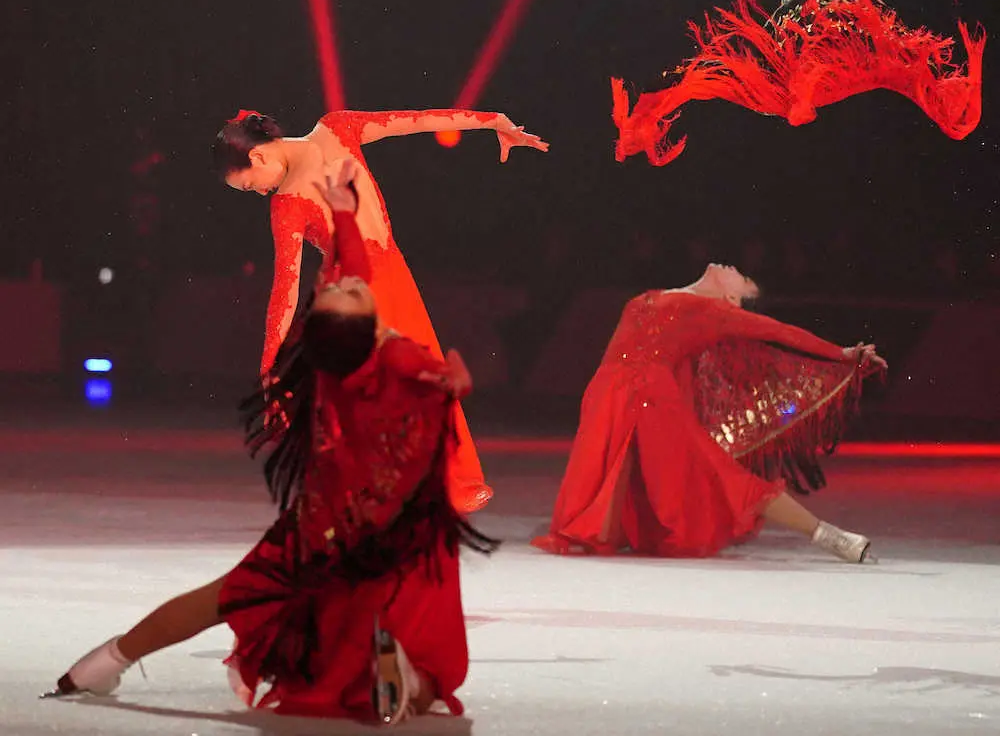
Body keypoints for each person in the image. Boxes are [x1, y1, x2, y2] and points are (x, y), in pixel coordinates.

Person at [48, 165, 498, 725]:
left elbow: (353, 278)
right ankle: (407, 675)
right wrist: (451, 380)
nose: (346, 283)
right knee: (415, 635)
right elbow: (424, 368)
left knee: (223, 598)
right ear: (366, 329)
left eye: (336, 290)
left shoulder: (329, 362)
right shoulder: (393, 357)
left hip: (319, 529)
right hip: (393, 531)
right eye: (347, 293)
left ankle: (102, 662)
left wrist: (342, 214)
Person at [213, 107, 549, 513]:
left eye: (251, 186)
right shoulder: (336, 128)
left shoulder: (288, 202)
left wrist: (269, 370)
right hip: (379, 282)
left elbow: (285, 291)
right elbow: (421, 121)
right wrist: (493, 120)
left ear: (257, 156)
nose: (260, 193)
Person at [532, 264, 887, 563]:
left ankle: (828, 535)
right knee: (619, 472)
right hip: (607, 392)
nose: (735, 269)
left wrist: (842, 354)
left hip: (651, 399)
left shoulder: (716, 312)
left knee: (721, 474)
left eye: (743, 278)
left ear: (732, 298)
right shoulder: (656, 294)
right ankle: (609, 533)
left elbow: (782, 332)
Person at [611, 0, 985, 167]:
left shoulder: (769, 76)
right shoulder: (770, 77)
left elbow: (695, 73)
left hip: (801, 60)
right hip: (805, 60)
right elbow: (693, 74)